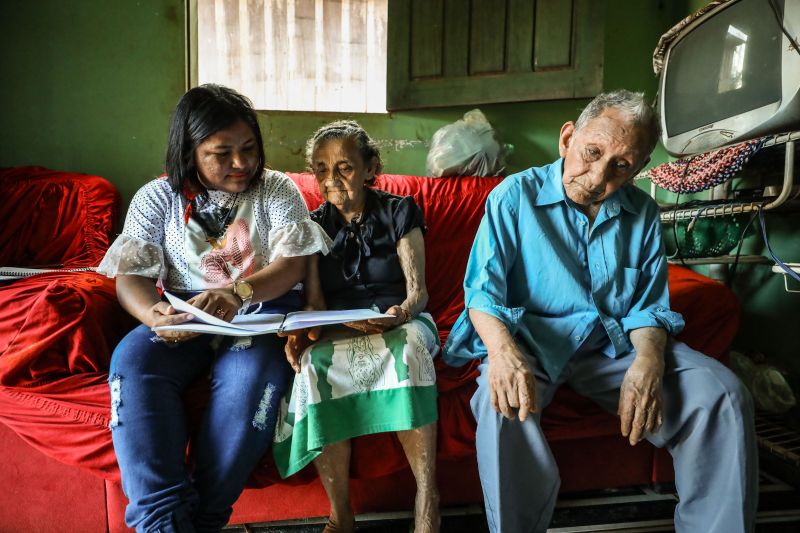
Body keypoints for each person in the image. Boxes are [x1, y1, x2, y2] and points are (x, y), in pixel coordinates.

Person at [444, 90, 757, 533]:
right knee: (500, 408)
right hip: (534, 344)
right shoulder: (513, 196)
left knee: (723, 395)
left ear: (639, 169)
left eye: (621, 166)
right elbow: (481, 293)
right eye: (592, 152)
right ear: (567, 137)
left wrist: (648, 360)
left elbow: (648, 306)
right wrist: (501, 352)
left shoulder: (642, 212)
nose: (597, 176)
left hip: (610, 348)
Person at [97, 84, 332, 533]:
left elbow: (292, 264)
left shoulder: (276, 190)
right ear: (190, 151)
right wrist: (152, 315)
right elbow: (131, 277)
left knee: (250, 387)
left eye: (248, 148)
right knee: (132, 364)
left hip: (257, 312)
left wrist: (238, 292)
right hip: (183, 312)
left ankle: (204, 520)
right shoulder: (156, 198)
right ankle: (161, 521)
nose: (241, 163)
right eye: (222, 153)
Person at [273, 120, 440, 533]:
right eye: (321, 169)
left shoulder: (401, 211)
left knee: (407, 351)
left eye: (344, 167)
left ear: (370, 168)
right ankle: (341, 513)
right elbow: (314, 303)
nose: (331, 180)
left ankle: (427, 499)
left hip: (402, 320)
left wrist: (398, 314)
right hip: (342, 326)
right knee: (312, 366)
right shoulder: (312, 226)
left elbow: (419, 293)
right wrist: (301, 332)